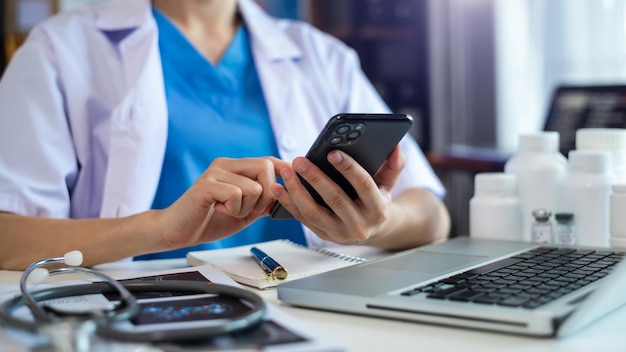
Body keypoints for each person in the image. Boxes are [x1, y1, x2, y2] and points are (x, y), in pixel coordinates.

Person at [0, 0, 450, 270]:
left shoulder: (322, 56)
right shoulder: (59, 51)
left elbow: (431, 214)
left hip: (311, 311)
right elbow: (8, 238)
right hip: (141, 323)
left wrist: (373, 224)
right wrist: (161, 229)